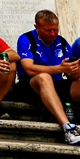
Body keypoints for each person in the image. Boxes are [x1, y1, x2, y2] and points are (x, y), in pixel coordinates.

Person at [16, 9, 80, 145]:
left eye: (55, 29)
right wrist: (59, 68)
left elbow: (70, 72)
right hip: (30, 86)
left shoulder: (61, 42)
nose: (52, 34)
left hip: (57, 83)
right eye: (48, 30)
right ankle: (68, 128)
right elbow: (28, 68)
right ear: (36, 27)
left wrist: (74, 69)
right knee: (44, 77)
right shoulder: (26, 39)